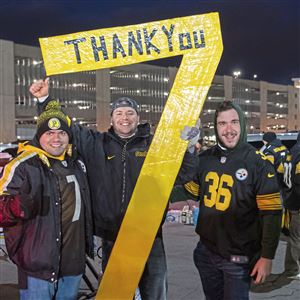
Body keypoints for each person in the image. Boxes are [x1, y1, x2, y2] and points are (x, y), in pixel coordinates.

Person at [29, 78, 198, 300]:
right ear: (112, 119)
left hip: (148, 234)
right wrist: (44, 99)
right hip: (111, 233)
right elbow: (64, 125)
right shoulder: (96, 143)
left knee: (154, 291)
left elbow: (183, 173)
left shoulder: (154, 147)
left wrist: (189, 149)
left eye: (130, 113)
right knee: (115, 293)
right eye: (119, 113)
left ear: (138, 117)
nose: (124, 118)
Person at [173, 101, 282, 300]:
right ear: (216, 127)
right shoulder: (205, 158)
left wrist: (267, 256)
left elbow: (272, 214)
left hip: (238, 258)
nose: (229, 129)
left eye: (234, 122)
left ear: (242, 124)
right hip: (206, 252)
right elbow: (192, 192)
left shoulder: (258, 163)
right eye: (222, 124)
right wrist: (188, 153)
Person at [0, 101, 94, 300]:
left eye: (61, 133)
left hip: (73, 264)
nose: (56, 139)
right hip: (37, 266)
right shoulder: (23, 165)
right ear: (39, 136)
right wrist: (18, 206)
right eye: (49, 133)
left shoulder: (77, 163)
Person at [283, 132, 300, 279]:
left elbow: (282, 175)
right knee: (296, 237)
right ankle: (293, 269)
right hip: (297, 201)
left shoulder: (290, 153)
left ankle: (292, 266)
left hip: (291, 199)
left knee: (295, 236)